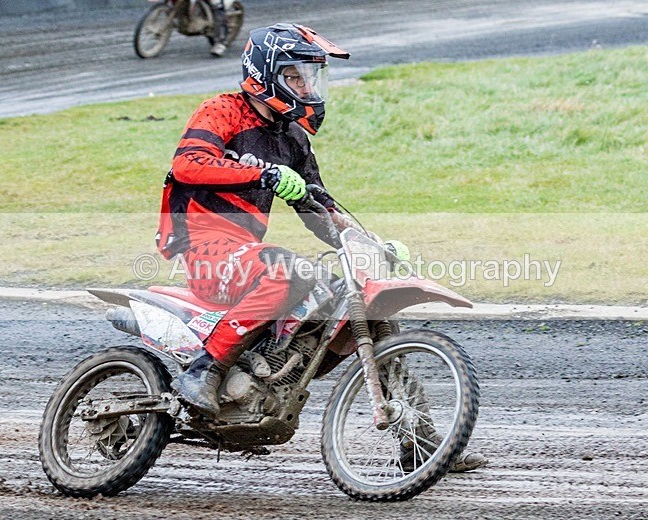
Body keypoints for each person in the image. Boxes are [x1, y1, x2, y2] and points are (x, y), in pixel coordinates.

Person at [156, 23, 486, 472]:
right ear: (266, 74)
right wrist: (264, 176)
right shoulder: (224, 110)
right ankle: (204, 371)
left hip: (243, 251)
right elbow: (188, 164)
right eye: (296, 77)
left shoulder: (292, 139)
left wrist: (366, 244)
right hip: (204, 244)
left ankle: (422, 443)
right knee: (287, 270)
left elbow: (319, 206)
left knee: (347, 304)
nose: (307, 87)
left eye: (312, 77)